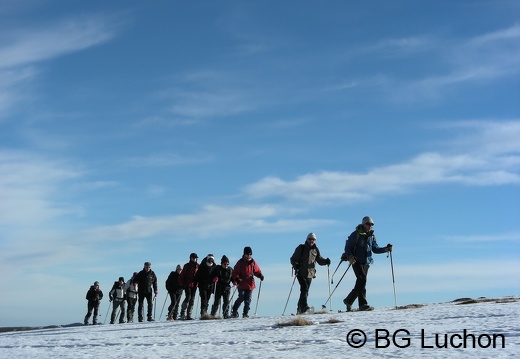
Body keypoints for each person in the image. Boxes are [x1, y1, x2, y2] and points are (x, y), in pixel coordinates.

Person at [342, 216, 392, 312]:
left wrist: (386, 249)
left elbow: (375, 249)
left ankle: (353, 302)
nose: (370, 226)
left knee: (361, 282)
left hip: (366, 262)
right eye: (368, 224)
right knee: (362, 280)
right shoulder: (355, 234)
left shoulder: (371, 236)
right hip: (356, 261)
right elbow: (347, 247)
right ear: (363, 224)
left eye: (371, 225)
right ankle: (358, 303)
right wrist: (350, 257)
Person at [290, 232, 331, 314]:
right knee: (304, 288)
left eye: (313, 239)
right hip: (300, 272)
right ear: (306, 239)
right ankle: (305, 307)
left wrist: (325, 261)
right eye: (310, 239)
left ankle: (300, 309)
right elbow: (293, 259)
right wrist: (296, 266)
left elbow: (319, 260)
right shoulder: (301, 248)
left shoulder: (316, 250)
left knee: (305, 291)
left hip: (310, 274)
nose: (311, 241)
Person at [231, 246, 264, 318]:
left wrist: (260, 275)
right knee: (241, 297)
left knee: (248, 299)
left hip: (250, 283)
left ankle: (245, 313)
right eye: (247, 254)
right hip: (241, 283)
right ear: (244, 254)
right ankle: (234, 310)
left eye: (250, 254)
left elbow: (256, 271)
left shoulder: (253, 262)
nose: (249, 256)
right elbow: (235, 272)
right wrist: (237, 279)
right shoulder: (240, 262)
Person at [179, 253, 199, 320]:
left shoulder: (198, 266)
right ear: (190, 258)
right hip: (187, 284)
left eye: (195, 258)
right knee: (188, 298)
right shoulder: (187, 266)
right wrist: (182, 283)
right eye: (193, 258)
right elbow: (182, 275)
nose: (194, 259)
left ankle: (189, 315)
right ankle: (182, 313)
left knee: (192, 299)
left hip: (195, 285)